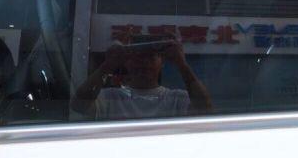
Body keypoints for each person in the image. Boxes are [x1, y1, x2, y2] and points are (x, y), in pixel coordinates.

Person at [72, 36, 212, 120]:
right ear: (126, 62)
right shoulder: (109, 97)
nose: (144, 63)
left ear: (162, 62)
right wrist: (108, 65)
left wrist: (181, 63)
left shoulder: (177, 98)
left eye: (150, 57)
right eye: (137, 57)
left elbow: (205, 109)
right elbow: (79, 105)